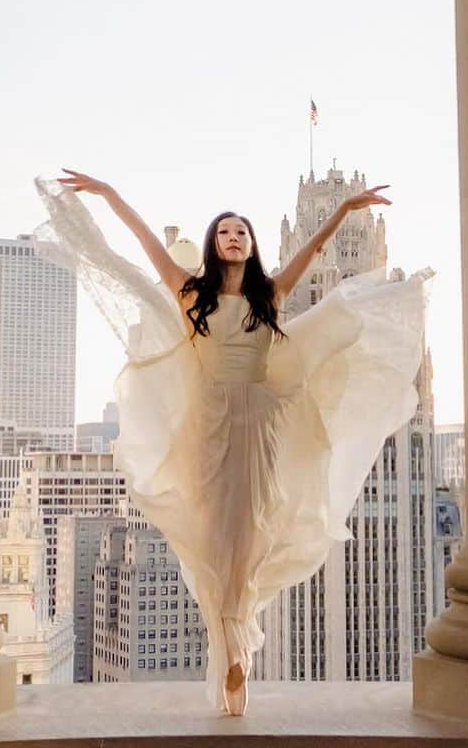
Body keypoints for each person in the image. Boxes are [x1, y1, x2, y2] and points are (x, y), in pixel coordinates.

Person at [33, 169, 430, 715]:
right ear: (214, 244)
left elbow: (314, 250)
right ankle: (230, 650)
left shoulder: (270, 293)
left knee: (249, 536)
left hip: (260, 423)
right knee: (215, 542)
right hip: (208, 423)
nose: (234, 237)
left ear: (253, 243)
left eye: (242, 231)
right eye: (225, 232)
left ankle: (234, 649)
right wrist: (108, 194)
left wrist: (344, 211)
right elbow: (141, 246)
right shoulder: (189, 291)